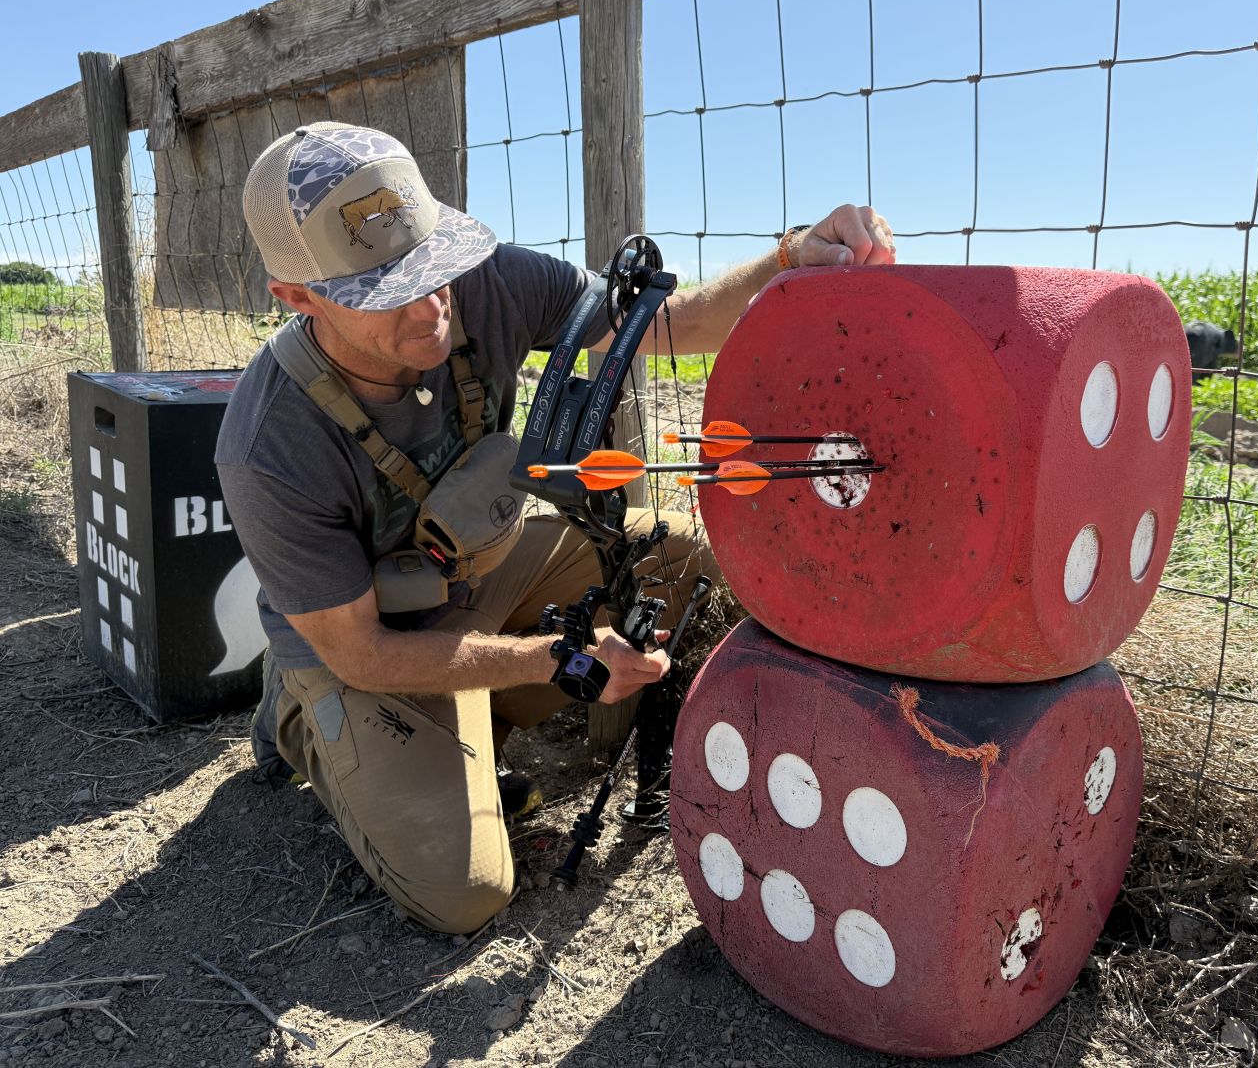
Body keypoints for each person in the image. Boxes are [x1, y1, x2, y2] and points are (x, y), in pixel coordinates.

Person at [217, 121, 896, 934]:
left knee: (669, 553)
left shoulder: (482, 283)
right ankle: (305, 721)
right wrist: (560, 660)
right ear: (296, 297)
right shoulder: (268, 444)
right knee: (466, 892)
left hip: (476, 578)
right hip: (367, 642)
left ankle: (477, 715)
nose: (435, 303)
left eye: (434, 263)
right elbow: (360, 648)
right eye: (389, 290)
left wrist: (790, 258)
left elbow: (665, 322)